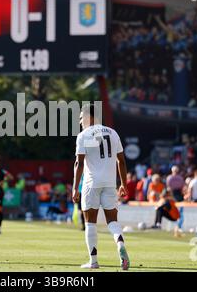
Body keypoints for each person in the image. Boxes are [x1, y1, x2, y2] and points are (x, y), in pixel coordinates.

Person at [72, 104, 130, 270]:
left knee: (90, 222)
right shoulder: (113, 133)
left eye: (81, 117)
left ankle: (94, 261)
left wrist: (75, 187)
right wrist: (124, 185)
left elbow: (79, 162)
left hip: (91, 184)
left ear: (90, 117)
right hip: (110, 184)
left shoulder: (84, 135)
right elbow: (122, 161)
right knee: (112, 221)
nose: (80, 121)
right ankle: (120, 243)